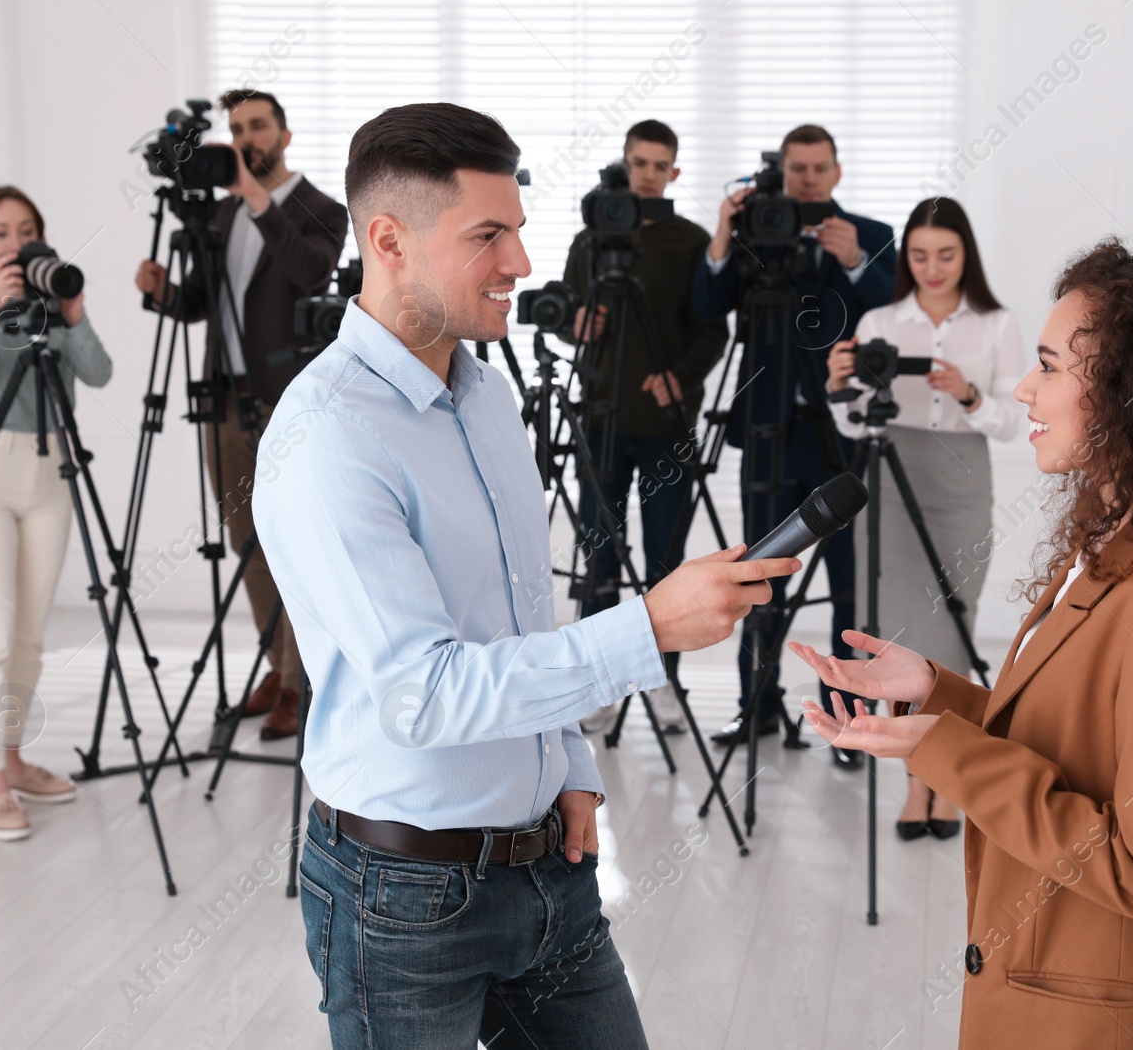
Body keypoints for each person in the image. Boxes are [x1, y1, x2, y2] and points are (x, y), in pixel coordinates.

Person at [253, 102, 799, 1049]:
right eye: (488, 235)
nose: (522, 263)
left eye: (517, 229)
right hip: (404, 899)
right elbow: (424, 695)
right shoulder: (328, 437)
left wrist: (569, 764)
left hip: (550, 863)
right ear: (389, 239)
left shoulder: (485, 391)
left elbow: (514, 618)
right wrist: (650, 628)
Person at [792, 239, 1133, 1049]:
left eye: (1047, 365)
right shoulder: (1114, 549)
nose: (1022, 388)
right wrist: (934, 694)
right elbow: (1078, 746)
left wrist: (945, 751)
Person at [134, 88, 349, 740]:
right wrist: (163, 292)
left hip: (288, 400)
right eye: (236, 128)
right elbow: (204, 300)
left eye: (257, 126)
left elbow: (311, 273)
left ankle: (301, 678)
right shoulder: (224, 215)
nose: (246, 137)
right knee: (245, 540)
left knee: (293, 543)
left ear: (285, 135)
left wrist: (257, 200)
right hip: (223, 395)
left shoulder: (321, 209)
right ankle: (281, 664)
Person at [693, 124, 897, 768]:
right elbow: (706, 305)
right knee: (760, 573)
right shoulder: (756, 227)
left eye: (818, 168)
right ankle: (756, 705)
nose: (807, 179)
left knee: (845, 586)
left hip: (839, 429)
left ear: (837, 172)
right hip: (766, 427)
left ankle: (846, 722)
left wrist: (855, 260)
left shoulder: (868, 232)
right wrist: (725, 238)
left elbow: (896, 309)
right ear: (782, 172)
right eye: (797, 169)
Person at [825, 197, 1022, 836]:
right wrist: (837, 388)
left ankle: (951, 782)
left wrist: (967, 394)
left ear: (966, 255)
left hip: (963, 482)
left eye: (946, 254)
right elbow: (855, 420)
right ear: (905, 259)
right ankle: (918, 786)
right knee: (906, 639)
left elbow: (1015, 422)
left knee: (954, 633)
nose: (933, 268)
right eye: (919, 256)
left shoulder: (996, 324)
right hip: (893, 475)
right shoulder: (883, 319)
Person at [0, 186, 113, 841]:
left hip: (49, 469)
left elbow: (99, 372)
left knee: (31, 634)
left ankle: (11, 757)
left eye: (26, 229)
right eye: (0, 232)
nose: (14, 243)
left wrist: (72, 313)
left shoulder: (53, 303)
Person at [561, 119, 728, 735]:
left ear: (674, 172)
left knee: (666, 561)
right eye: (639, 162)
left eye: (660, 165)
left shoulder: (690, 242)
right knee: (600, 556)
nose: (647, 173)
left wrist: (679, 379)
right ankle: (598, 686)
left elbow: (714, 328)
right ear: (625, 163)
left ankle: (662, 683)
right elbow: (566, 313)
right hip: (600, 419)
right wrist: (576, 324)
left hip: (666, 422)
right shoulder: (593, 238)